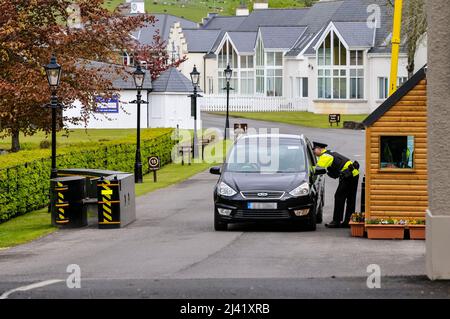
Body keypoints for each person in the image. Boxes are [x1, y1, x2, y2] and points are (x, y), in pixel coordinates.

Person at [313, 142, 360, 228]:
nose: (313, 152)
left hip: (348, 175)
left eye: (314, 149)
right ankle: (348, 221)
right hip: (354, 174)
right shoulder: (330, 153)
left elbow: (317, 169)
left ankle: (336, 221)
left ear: (319, 149)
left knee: (339, 197)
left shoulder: (325, 156)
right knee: (350, 198)